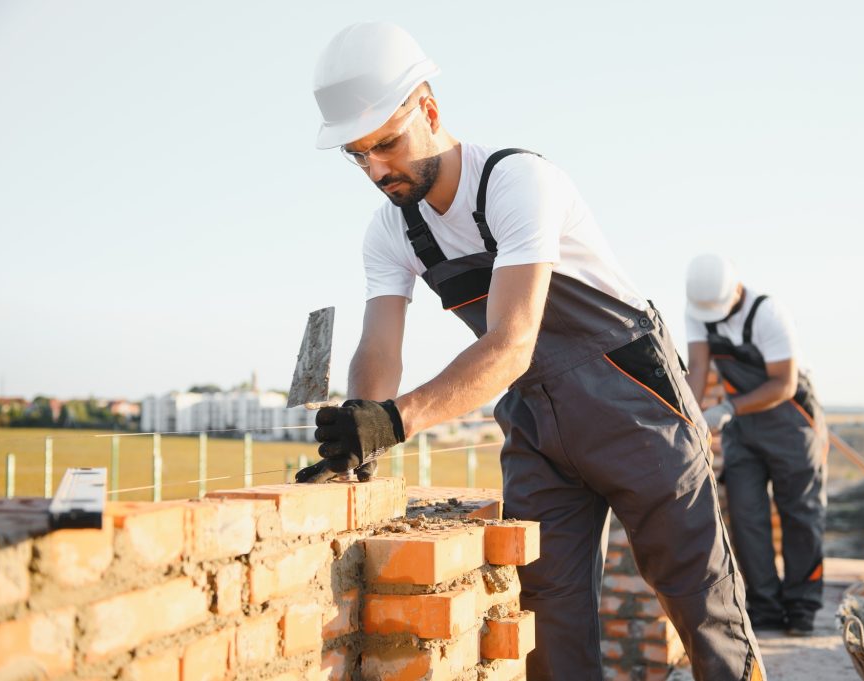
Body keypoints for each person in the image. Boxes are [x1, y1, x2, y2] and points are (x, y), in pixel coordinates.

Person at [295, 22, 765, 680]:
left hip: (634, 404)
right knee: (547, 617)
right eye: (358, 154)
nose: (376, 169)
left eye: (387, 143)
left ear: (429, 110)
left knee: (697, 596)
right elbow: (380, 347)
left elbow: (512, 342)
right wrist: (358, 431)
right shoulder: (391, 231)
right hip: (539, 423)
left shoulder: (516, 182)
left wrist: (395, 421)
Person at [684, 253, 828, 637]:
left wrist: (728, 408)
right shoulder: (699, 308)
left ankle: (801, 608)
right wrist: (689, 419)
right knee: (746, 515)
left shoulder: (768, 314)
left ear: (736, 289)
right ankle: (764, 608)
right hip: (743, 429)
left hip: (791, 423)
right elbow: (697, 370)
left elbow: (784, 384)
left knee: (801, 515)